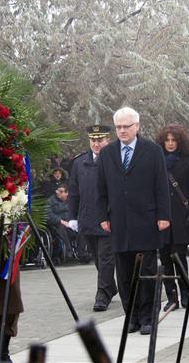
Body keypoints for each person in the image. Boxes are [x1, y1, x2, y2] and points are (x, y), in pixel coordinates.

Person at [96, 106, 170, 335]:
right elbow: (101, 188)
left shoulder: (152, 150)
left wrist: (164, 216)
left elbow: (161, 185)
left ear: (137, 126)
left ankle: (148, 317)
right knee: (124, 273)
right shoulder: (107, 153)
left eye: (126, 126)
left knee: (146, 272)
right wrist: (102, 216)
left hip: (146, 220)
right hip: (119, 222)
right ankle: (132, 316)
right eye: (118, 127)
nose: (122, 131)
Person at [68, 124, 118, 311]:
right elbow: (73, 192)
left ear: (107, 140)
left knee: (106, 258)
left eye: (100, 140)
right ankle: (110, 287)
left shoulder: (115, 159)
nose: (96, 144)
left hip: (107, 219)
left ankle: (102, 294)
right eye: (93, 140)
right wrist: (72, 216)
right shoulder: (79, 162)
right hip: (87, 218)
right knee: (98, 258)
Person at [155, 124, 189, 311]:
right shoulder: (157, 160)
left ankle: (186, 293)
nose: (170, 144)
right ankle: (172, 297)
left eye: (174, 140)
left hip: (180, 215)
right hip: (162, 216)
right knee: (164, 259)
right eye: (167, 140)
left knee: (179, 258)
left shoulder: (187, 160)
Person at [47, 183, 74, 261]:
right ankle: (69, 250)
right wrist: (60, 221)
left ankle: (82, 252)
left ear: (67, 193)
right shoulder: (51, 201)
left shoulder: (71, 201)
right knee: (60, 226)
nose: (58, 193)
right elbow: (49, 214)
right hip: (56, 224)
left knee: (81, 226)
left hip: (70, 222)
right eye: (58, 191)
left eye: (62, 191)